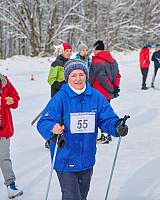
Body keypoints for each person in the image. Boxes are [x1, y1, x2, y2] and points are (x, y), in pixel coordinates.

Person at [37, 59, 128, 200]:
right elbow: (44, 122)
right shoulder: (60, 98)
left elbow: (106, 119)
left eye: (81, 74)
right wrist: (52, 128)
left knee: (81, 196)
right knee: (72, 197)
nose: (78, 78)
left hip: (87, 159)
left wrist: (117, 127)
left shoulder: (96, 97)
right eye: (73, 75)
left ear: (86, 75)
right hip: (65, 158)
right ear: (67, 78)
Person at [89, 40, 121, 144]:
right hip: (108, 93)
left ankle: (104, 135)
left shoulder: (97, 61)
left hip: (99, 92)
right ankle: (107, 134)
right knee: (106, 112)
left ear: (96, 49)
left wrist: (111, 88)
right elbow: (118, 75)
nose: (93, 52)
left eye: (94, 49)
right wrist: (115, 87)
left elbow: (100, 77)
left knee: (100, 114)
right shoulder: (113, 60)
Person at [45, 42, 72, 148]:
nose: (68, 53)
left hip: (67, 94)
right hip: (57, 94)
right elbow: (51, 80)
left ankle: (62, 137)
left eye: (70, 51)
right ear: (62, 51)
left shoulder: (70, 63)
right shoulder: (56, 63)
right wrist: (63, 85)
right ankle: (50, 138)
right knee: (56, 117)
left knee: (65, 116)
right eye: (66, 51)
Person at [0, 74, 23, 199]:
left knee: (4, 158)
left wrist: (11, 100)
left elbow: (15, 99)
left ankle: (11, 186)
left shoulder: (4, 82)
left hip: (3, 129)